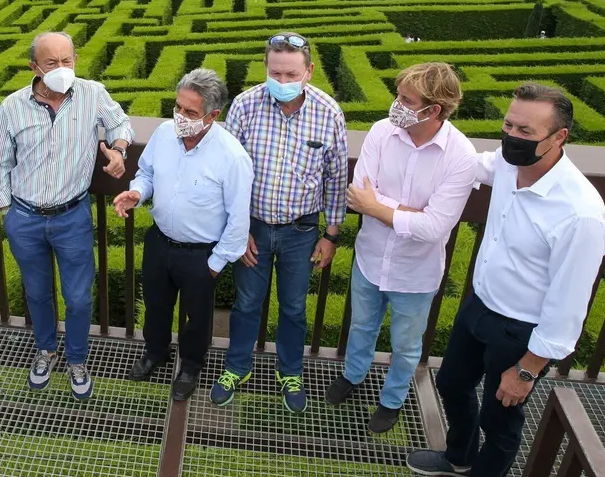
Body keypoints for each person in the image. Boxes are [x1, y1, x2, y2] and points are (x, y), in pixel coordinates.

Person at [407, 83, 605, 477]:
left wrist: (528, 370)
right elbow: (469, 161)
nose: (512, 137)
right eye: (508, 125)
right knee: (451, 383)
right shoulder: (506, 164)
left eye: (526, 132)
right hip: (479, 306)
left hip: (520, 331)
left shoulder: (580, 214)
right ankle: (458, 456)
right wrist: (425, 119)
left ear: (559, 137)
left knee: (500, 418)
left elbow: (567, 307)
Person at [328, 63, 476, 433]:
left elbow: (435, 227)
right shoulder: (382, 131)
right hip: (370, 257)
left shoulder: (461, 156)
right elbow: (358, 193)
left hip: (415, 273)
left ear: (433, 110)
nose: (396, 104)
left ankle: (392, 400)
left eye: (406, 100)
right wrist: (409, 214)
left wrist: (379, 207)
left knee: (406, 345)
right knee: (361, 326)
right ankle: (353, 375)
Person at [0, 32, 133, 399]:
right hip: (25, 216)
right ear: (34, 66)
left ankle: (77, 359)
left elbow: (121, 124)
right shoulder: (13, 105)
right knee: (37, 293)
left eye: (66, 61)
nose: (61, 69)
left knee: (79, 297)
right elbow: (0, 163)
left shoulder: (92, 93)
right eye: (51, 63)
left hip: (72, 216)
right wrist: (8, 210)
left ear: (76, 60)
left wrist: (117, 150)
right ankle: (45, 350)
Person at [211, 33, 348, 413]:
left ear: (309, 71)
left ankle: (290, 372)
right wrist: (235, 231)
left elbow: (336, 178)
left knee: (293, 307)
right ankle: (237, 367)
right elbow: (226, 174)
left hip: (301, 231)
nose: (282, 81)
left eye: (291, 74)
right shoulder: (245, 105)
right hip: (252, 227)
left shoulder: (329, 111)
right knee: (247, 302)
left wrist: (331, 235)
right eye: (275, 73)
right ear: (266, 68)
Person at [114, 69, 253, 401]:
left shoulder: (232, 157)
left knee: (196, 317)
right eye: (178, 108)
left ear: (213, 115)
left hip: (201, 255)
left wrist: (215, 264)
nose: (180, 117)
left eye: (190, 112)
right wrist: (138, 193)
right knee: (156, 305)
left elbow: (238, 219)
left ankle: (191, 365)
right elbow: (146, 172)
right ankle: (155, 352)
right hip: (160, 242)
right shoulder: (164, 133)